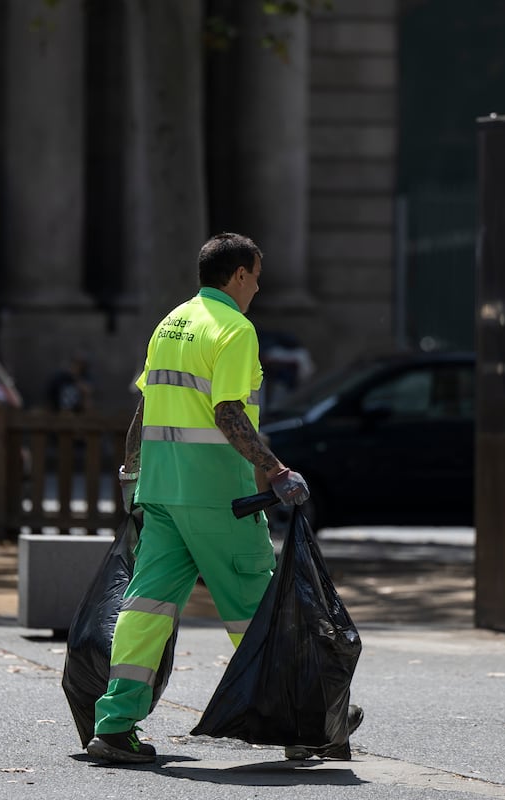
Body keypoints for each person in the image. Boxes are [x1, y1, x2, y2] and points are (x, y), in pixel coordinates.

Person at [85, 232, 362, 764]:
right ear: (238, 275)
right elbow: (228, 412)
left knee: (146, 607)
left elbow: (145, 409)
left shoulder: (172, 323)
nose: (257, 287)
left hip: (162, 492)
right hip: (218, 498)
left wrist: (131, 472)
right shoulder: (234, 329)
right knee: (262, 612)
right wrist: (276, 471)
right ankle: (306, 721)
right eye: (255, 277)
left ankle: (115, 725)